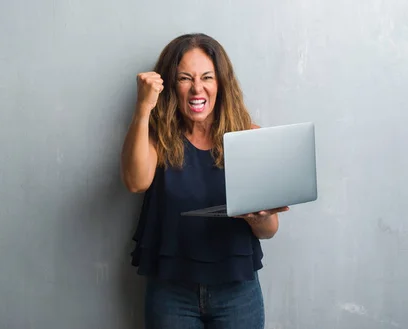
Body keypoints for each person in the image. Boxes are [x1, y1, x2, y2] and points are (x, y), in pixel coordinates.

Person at [120, 33, 290, 329]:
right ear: (171, 85)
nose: (197, 88)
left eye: (207, 77)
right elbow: (136, 182)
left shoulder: (249, 136)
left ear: (221, 83)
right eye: (185, 78)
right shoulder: (158, 138)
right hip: (172, 293)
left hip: (237, 292)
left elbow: (268, 231)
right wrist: (143, 108)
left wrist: (258, 218)